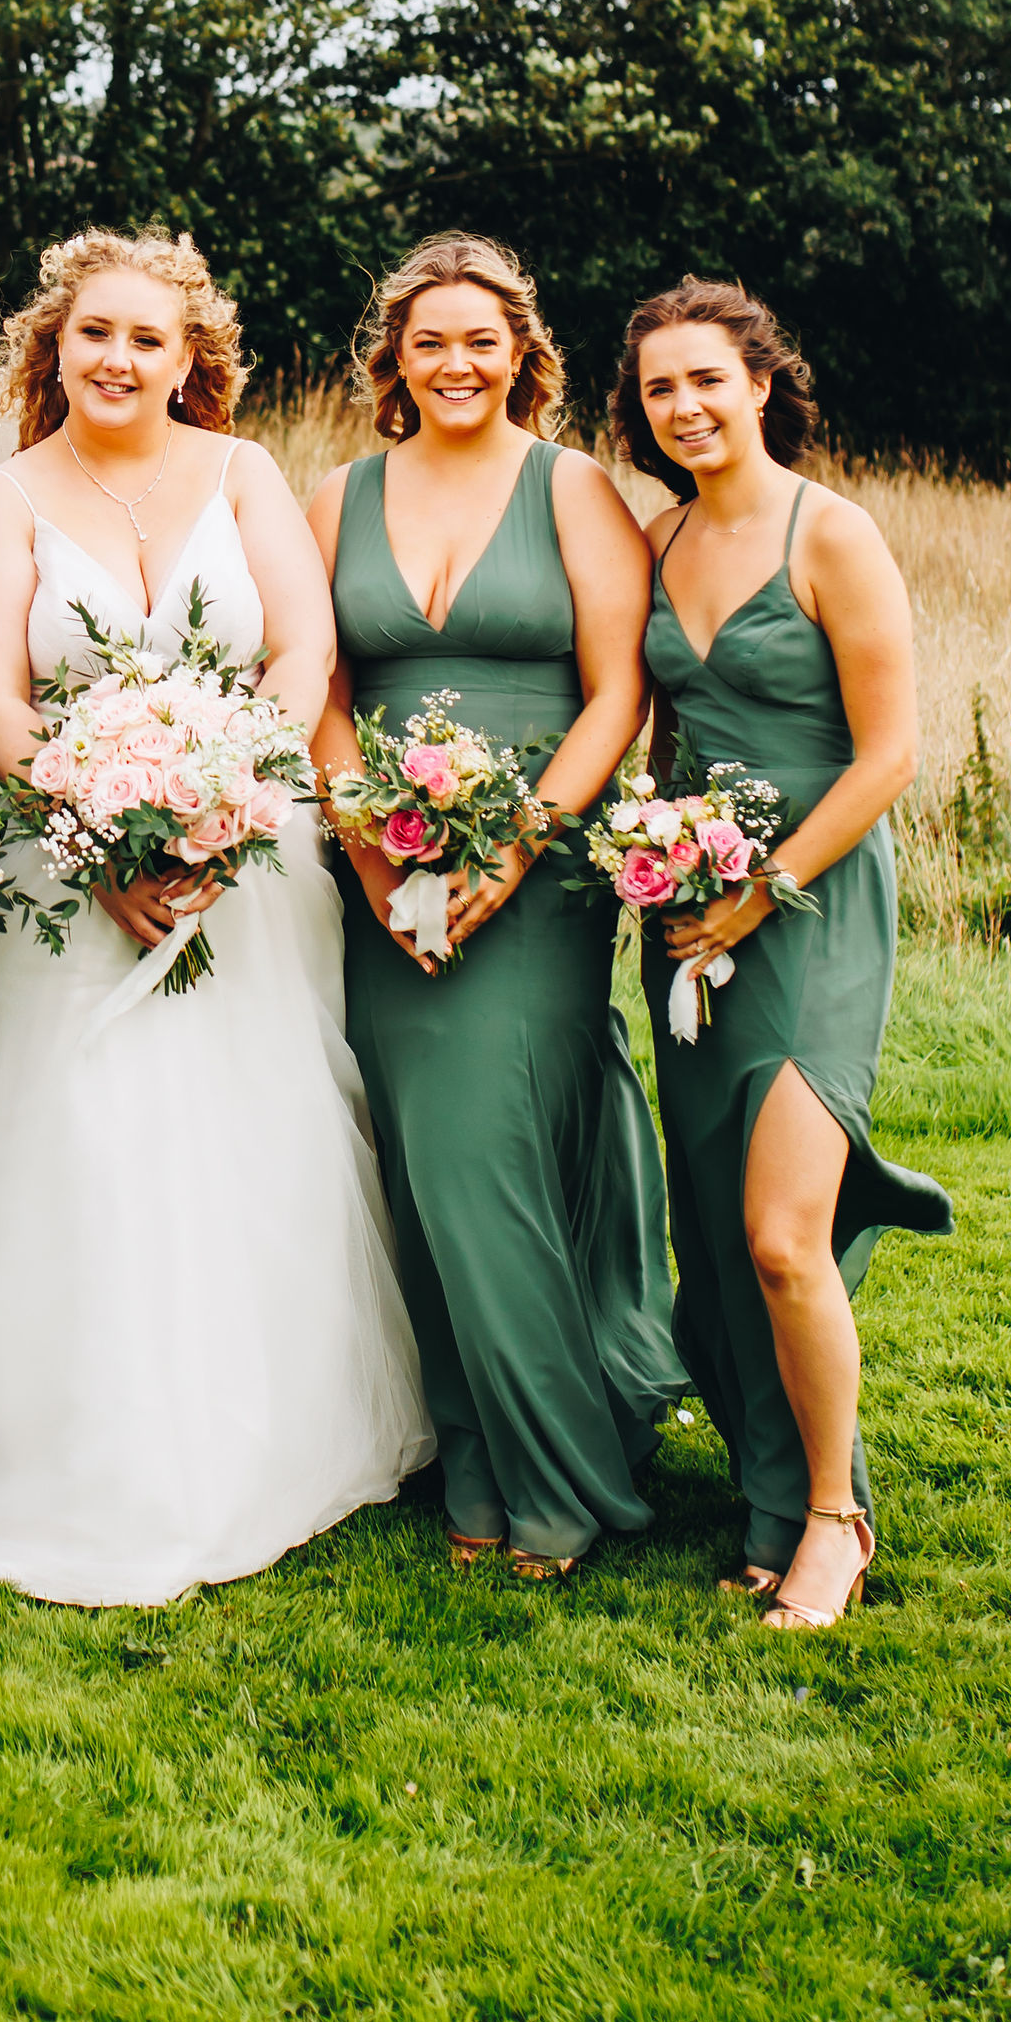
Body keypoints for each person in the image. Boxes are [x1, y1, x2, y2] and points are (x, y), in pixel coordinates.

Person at [0, 229, 429, 1609]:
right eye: (96, 334)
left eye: (149, 338)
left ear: (191, 356)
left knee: (244, 1132)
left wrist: (221, 799)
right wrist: (98, 835)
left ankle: (259, 1441)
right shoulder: (6, 499)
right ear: (55, 346)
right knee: (77, 1136)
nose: (120, 360)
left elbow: (303, 653)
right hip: (62, 874)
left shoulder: (243, 474)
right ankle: (56, 1454)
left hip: (247, 863)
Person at [309, 234, 680, 1580]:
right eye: (430, 343)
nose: (456, 364)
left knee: (495, 1165)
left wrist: (516, 847)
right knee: (422, 1170)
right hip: (382, 873)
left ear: (523, 354)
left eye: (482, 341)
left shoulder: (574, 490)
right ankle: (469, 1460)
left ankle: (557, 1473)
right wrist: (370, 855)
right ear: (394, 361)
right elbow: (321, 692)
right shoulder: (336, 497)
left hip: (538, 874)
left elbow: (618, 693)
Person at [617, 276, 952, 1631]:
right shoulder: (657, 540)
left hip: (811, 911)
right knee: (714, 1232)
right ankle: (764, 1500)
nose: (685, 405)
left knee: (779, 1235)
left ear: (762, 384)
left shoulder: (834, 534)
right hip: (687, 915)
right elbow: (657, 736)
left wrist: (767, 890)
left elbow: (890, 755)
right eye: (659, 388)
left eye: (708, 378)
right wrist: (648, 864)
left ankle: (832, 1517)